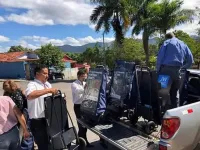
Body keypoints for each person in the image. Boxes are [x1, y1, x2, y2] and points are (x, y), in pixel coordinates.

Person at [156, 32, 194, 108]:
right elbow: (191, 60)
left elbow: (160, 58)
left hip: (165, 71)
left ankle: (163, 114)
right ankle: (175, 112)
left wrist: (158, 70)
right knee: (175, 94)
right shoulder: (183, 44)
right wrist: (183, 67)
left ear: (167, 37)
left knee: (163, 93)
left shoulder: (166, 43)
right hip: (177, 72)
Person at [25, 65, 58, 150]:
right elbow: (30, 95)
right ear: (37, 74)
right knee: (43, 145)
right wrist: (48, 90)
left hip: (49, 119)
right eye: (45, 73)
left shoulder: (47, 84)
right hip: (38, 121)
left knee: (52, 143)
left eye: (48, 73)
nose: (47, 75)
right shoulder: (32, 84)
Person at [71, 69, 94, 148]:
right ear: (78, 76)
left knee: (85, 126)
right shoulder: (74, 84)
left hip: (85, 105)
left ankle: (82, 141)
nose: (84, 78)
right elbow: (78, 91)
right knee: (81, 125)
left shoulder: (84, 83)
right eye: (82, 76)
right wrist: (86, 87)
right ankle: (81, 143)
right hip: (78, 106)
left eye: (85, 76)